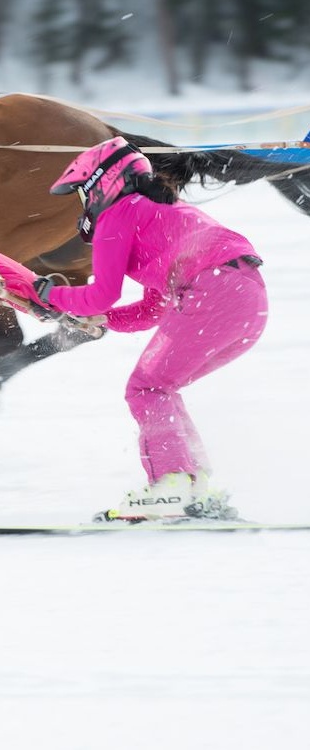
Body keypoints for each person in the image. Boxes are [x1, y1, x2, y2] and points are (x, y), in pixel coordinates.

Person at [34, 135, 268, 521]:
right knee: (160, 386)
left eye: (81, 193)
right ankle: (192, 486)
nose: (84, 204)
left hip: (212, 290)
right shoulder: (155, 213)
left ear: (100, 183)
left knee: (147, 388)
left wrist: (53, 295)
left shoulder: (118, 213)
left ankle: (172, 484)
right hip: (246, 299)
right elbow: (150, 309)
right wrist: (102, 319)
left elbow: (102, 294)